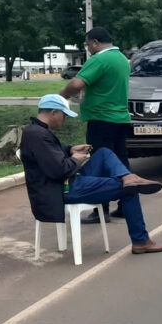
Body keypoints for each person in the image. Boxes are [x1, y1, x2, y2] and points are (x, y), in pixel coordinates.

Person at [20, 94, 162, 254]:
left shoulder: (37, 131)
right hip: (61, 189)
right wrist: (76, 160)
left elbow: (51, 154)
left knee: (104, 153)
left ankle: (127, 177)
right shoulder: (37, 135)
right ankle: (141, 241)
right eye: (64, 115)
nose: (64, 119)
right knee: (130, 189)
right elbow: (59, 170)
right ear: (54, 112)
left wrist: (70, 150)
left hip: (65, 183)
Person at [59, 27, 132, 224]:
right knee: (121, 162)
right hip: (121, 118)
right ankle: (126, 205)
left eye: (88, 44)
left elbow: (76, 84)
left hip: (101, 118)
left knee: (99, 162)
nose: (88, 48)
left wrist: (61, 96)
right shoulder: (122, 60)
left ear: (95, 42)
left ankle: (101, 210)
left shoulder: (99, 59)